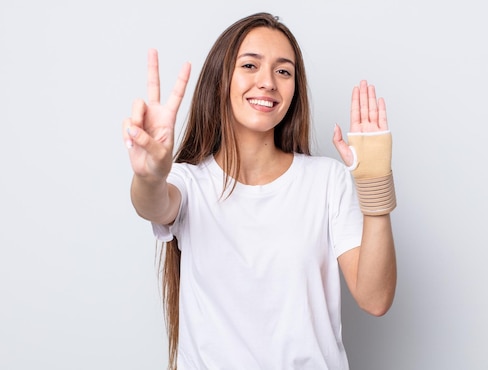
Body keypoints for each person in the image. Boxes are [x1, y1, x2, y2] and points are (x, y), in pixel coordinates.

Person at [122, 12, 397, 370]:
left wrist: (375, 183)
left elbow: (375, 299)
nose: (267, 82)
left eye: (283, 71)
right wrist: (149, 176)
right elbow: (153, 203)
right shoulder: (190, 184)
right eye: (250, 65)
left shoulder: (326, 180)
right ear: (221, 78)